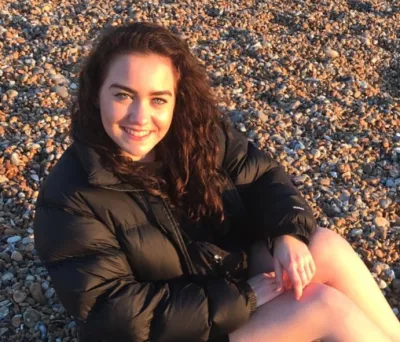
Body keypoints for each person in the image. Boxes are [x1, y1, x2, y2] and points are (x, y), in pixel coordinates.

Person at [33, 22, 400, 342]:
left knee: (324, 246)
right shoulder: (68, 197)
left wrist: (287, 234)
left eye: (158, 99)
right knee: (323, 306)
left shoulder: (199, 136)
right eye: (123, 95)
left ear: (177, 100)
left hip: (219, 287)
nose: (140, 117)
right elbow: (115, 312)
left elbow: (264, 179)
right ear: (96, 94)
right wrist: (245, 298)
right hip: (165, 332)